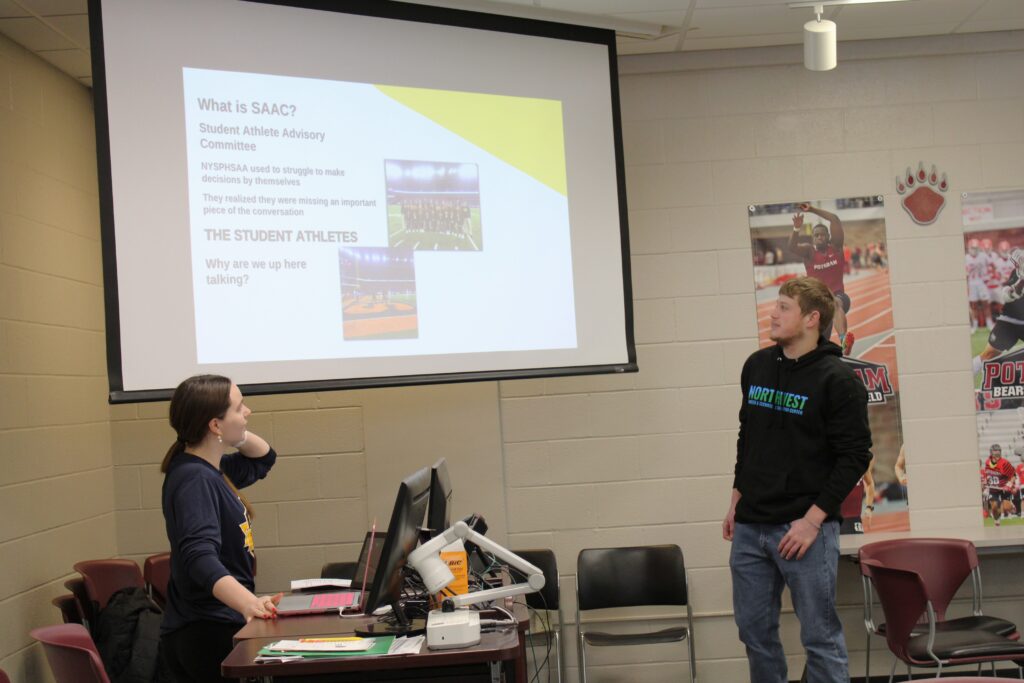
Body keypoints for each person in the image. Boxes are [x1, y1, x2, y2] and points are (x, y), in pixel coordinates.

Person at [723, 276, 872, 683]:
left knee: (820, 638)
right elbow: (747, 435)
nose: (773, 313)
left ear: (812, 318)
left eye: (784, 307)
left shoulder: (837, 380)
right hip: (752, 526)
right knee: (754, 634)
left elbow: (856, 455)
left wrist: (812, 521)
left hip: (805, 530)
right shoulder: (756, 366)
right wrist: (737, 497)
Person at [160, 374, 281, 682]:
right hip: (205, 634)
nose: (248, 413)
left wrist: (234, 432)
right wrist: (249, 604)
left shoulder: (212, 469)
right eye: (240, 408)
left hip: (218, 623)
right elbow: (199, 557)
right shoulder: (194, 479)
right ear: (214, 425)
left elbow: (265, 457)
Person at [786, 204, 855, 356]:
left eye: (822, 235)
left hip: (838, 297)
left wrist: (812, 209)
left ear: (828, 237)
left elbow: (835, 219)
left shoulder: (836, 248)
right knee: (818, 344)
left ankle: (844, 342)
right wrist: (796, 229)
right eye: (816, 235)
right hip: (817, 304)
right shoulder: (809, 252)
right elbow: (791, 247)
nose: (819, 237)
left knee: (834, 302)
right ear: (813, 238)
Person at [983, 443, 1016, 527]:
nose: (996, 456)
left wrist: (1009, 484)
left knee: (1006, 507)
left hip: (1004, 489)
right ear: (991, 453)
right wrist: (986, 483)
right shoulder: (987, 462)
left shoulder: (1004, 463)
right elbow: (988, 474)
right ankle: (997, 521)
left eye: (998, 454)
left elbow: (1013, 475)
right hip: (993, 489)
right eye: (995, 454)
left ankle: (1012, 507)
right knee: (994, 507)